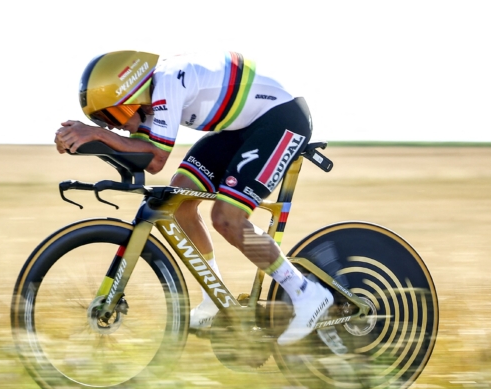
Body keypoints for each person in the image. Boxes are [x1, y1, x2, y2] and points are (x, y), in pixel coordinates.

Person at [55, 51, 333, 345]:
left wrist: (97, 134)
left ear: (132, 93)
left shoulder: (168, 83)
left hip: (281, 119)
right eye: (104, 121)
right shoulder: (149, 102)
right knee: (178, 203)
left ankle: (305, 292)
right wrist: (87, 141)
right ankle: (214, 298)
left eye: (114, 115)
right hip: (241, 128)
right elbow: (141, 157)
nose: (114, 126)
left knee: (227, 219)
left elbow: (156, 159)